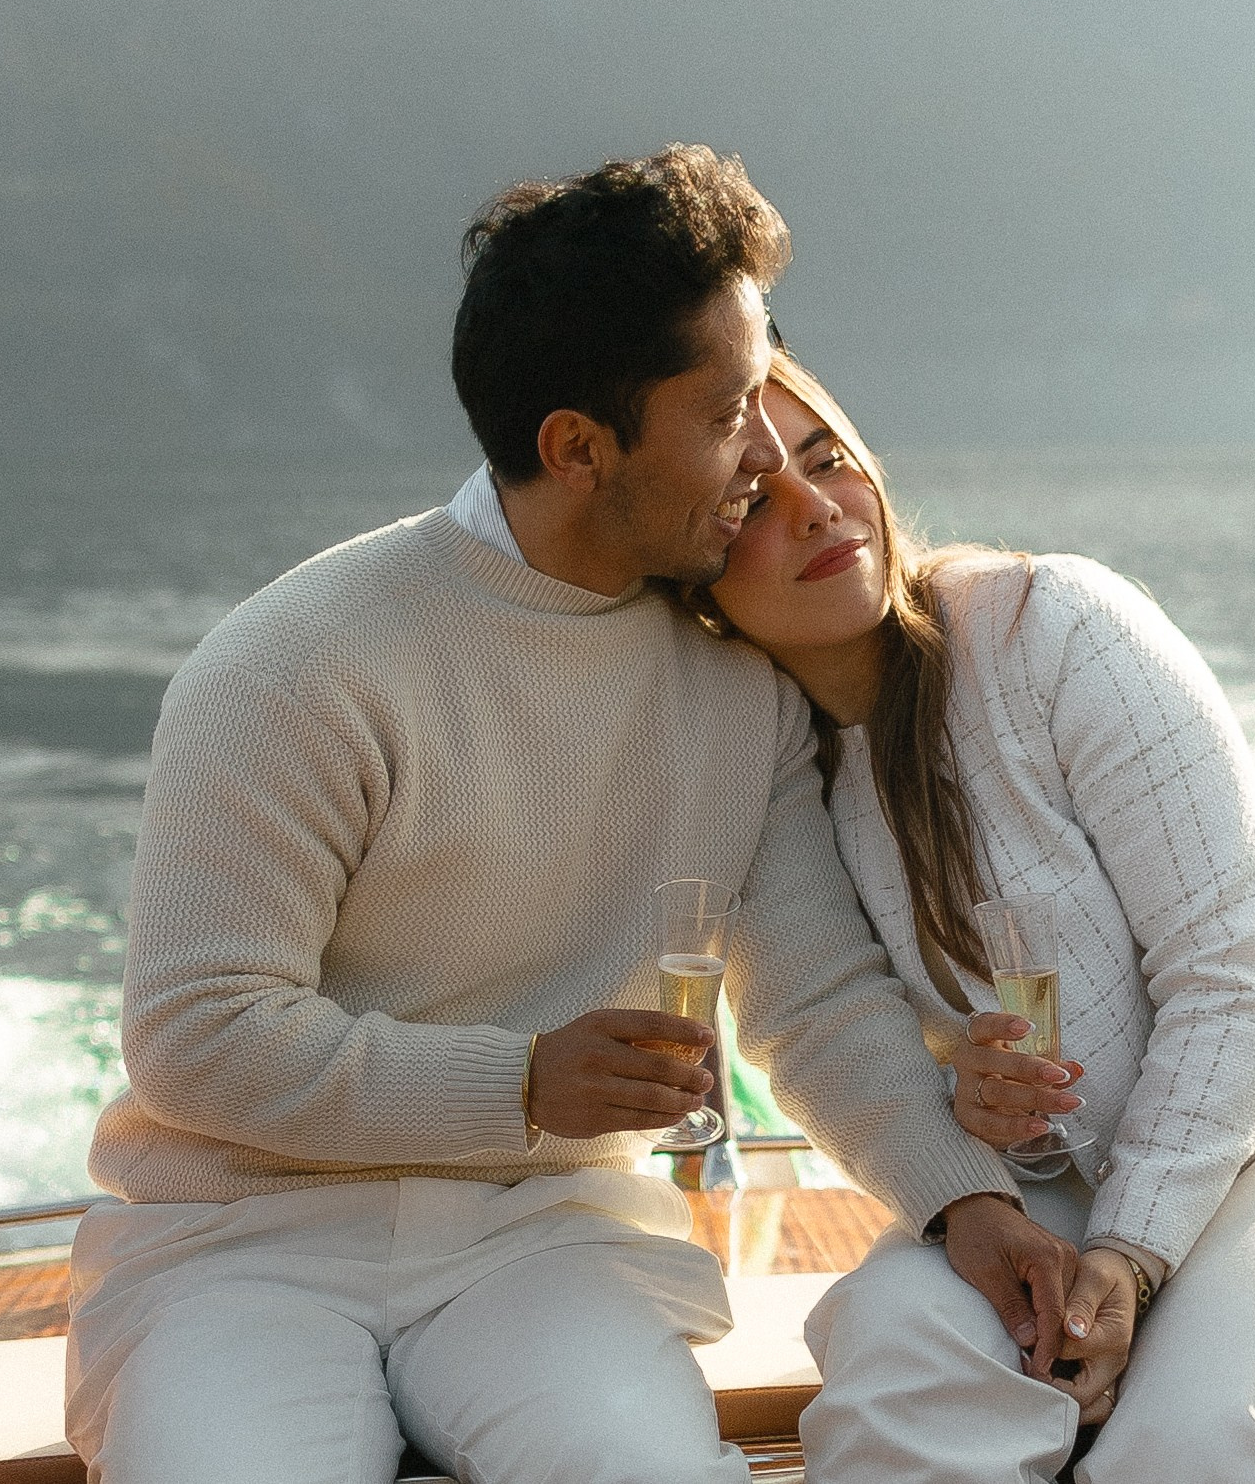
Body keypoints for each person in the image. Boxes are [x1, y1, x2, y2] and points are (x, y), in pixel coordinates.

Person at [62, 147, 1069, 1484]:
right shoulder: (296, 663)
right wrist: (524, 1080)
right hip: (239, 1242)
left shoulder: (734, 682)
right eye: (724, 417)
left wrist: (965, 1192)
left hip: (547, 1234)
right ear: (580, 449)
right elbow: (197, 1034)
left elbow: (815, 992)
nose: (766, 454)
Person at [691, 352, 1255, 1484]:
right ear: (692, 569)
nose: (817, 508)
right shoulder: (769, 764)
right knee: (895, 1392)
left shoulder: (1049, 626)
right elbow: (823, 1023)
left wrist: (1129, 1253)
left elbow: (1234, 976)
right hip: (1045, 1194)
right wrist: (969, 1117)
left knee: (1202, 1453)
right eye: (755, 505)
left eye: (827, 462)